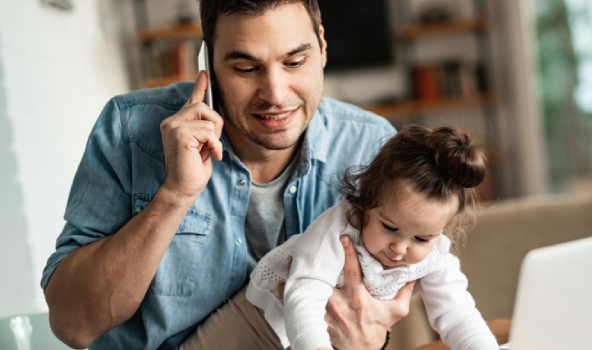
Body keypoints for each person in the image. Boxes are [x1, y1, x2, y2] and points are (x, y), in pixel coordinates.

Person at [40, 1, 414, 349]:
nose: (275, 94)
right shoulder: (129, 129)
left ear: (322, 48)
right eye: (246, 69)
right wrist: (175, 195)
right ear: (208, 64)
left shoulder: (372, 146)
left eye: (295, 61)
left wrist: (372, 338)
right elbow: (74, 324)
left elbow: (384, 307)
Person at [178, 126, 498, 350]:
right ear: (366, 202)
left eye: (422, 238)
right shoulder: (339, 228)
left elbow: (457, 313)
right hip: (256, 323)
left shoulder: (437, 256)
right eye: (389, 227)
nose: (400, 248)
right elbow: (304, 294)